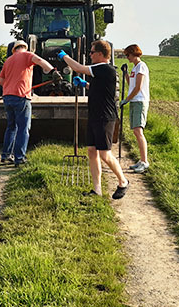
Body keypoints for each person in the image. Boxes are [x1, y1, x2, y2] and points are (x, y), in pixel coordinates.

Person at [58, 40, 129, 199]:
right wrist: (85, 85)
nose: (89, 55)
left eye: (91, 52)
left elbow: (77, 68)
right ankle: (97, 190)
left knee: (105, 154)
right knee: (91, 151)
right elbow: (99, 88)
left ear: (100, 54)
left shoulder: (104, 68)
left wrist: (65, 57)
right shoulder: (100, 71)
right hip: (95, 115)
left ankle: (123, 181)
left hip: (105, 117)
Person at [0, 40, 62, 167]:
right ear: (25, 48)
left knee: (11, 127)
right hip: (21, 96)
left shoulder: (8, 60)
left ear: (14, 49)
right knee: (23, 128)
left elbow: (1, 81)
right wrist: (52, 72)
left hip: (7, 97)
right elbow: (40, 61)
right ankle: (19, 158)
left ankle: (5, 155)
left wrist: (12, 85)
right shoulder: (27, 55)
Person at [119, 44, 150, 173]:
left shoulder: (141, 66)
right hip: (134, 101)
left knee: (138, 131)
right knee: (136, 131)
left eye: (128, 55)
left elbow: (138, 87)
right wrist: (126, 73)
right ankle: (141, 160)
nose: (127, 57)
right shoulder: (135, 68)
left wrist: (126, 99)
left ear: (134, 53)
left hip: (140, 101)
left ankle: (144, 162)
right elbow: (131, 84)